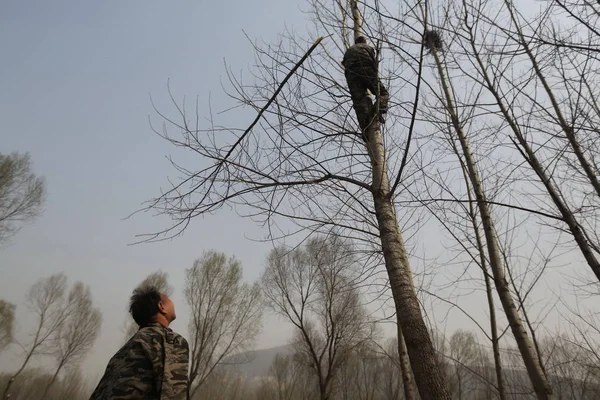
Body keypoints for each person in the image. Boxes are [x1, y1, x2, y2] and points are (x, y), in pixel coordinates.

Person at [90, 286, 189, 399]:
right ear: (161, 307)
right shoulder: (169, 340)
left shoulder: (124, 350)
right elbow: (173, 393)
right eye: (168, 299)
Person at [342, 35, 389, 133]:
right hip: (366, 69)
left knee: (359, 102)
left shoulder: (348, 51)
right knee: (383, 93)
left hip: (351, 74)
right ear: (364, 42)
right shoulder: (368, 48)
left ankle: (365, 128)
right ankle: (378, 108)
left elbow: (344, 63)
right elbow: (373, 63)